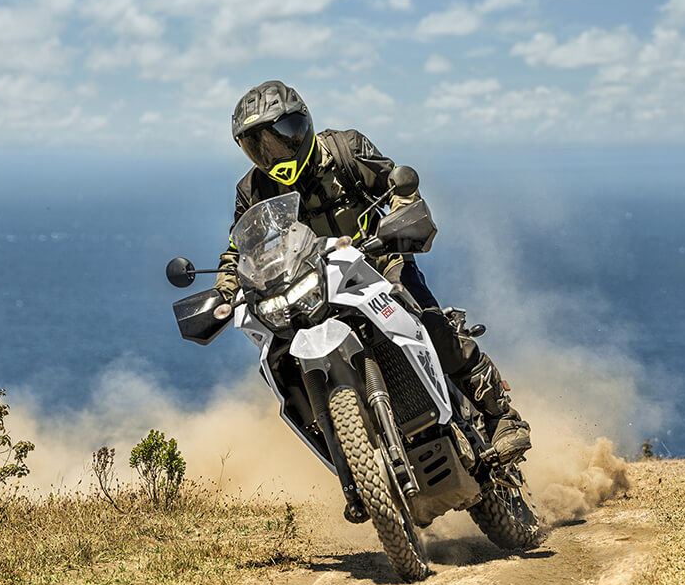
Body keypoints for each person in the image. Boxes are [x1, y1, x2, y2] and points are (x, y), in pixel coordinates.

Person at [213, 80, 531, 464]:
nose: (271, 152)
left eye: (278, 138)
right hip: (313, 285)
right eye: (257, 145)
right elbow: (238, 250)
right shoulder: (253, 189)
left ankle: (502, 416)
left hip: (377, 262)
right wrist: (224, 290)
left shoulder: (346, 149)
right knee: (281, 356)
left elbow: (398, 182)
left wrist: (401, 213)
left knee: (428, 322)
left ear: (301, 125)